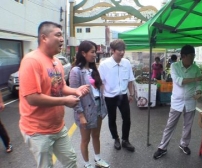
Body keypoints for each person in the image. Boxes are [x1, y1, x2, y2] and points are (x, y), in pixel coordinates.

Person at [18, 21, 90, 168]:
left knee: (71, 161)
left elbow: (60, 86)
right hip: (37, 131)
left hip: (58, 127)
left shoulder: (56, 62)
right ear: (44, 38)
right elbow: (32, 98)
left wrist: (75, 91)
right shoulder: (32, 61)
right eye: (58, 35)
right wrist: (64, 101)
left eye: (62, 35)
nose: (62, 39)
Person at [153, 45, 202, 159]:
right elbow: (179, 81)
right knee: (170, 125)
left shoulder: (196, 68)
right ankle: (162, 147)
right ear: (183, 56)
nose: (193, 59)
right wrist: (196, 79)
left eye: (194, 56)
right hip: (177, 102)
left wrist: (199, 91)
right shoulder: (175, 66)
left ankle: (184, 144)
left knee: (188, 126)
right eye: (191, 56)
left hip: (191, 101)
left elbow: (199, 84)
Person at [69, 41, 109, 168]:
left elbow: (98, 90)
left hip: (98, 106)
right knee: (85, 139)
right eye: (92, 52)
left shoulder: (93, 69)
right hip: (85, 110)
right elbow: (75, 95)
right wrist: (80, 115)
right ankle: (87, 164)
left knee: (96, 135)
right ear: (83, 53)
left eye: (95, 52)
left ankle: (98, 159)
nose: (95, 55)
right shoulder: (76, 71)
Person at [98, 39, 136, 152]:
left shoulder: (126, 63)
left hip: (123, 95)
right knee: (112, 119)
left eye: (123, 50)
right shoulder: (104, 65)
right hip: (110, 97)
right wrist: (103, 96)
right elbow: (100, 82)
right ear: (112, 51)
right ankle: (116, 139)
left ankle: (125, 140)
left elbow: (130, 80)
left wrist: (132, 94)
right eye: (119, 50)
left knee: (127, 119)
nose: (122, 52)